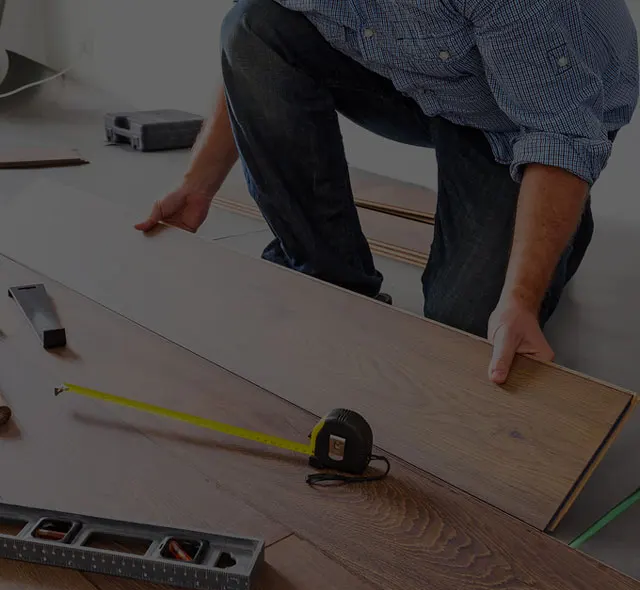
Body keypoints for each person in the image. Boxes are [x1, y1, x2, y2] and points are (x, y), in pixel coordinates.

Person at [136, 0, 639, 384]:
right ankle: (329, 278)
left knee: (465, 328)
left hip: (524, 115)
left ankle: (560, 219)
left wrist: (520, 298)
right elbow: (250, 44)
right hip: (423, 72)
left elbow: (561, 132)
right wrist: (196, 185)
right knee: (253, 24)